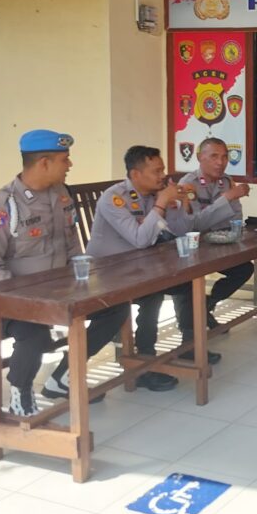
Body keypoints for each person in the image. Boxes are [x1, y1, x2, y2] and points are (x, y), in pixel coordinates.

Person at [0, 130, 123, 415]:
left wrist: (85, 278)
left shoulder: (61, 195)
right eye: (65, 159)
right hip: (0, 296)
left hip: (54, 289)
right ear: (44, 163)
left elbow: (71, 243)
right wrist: (35, 301)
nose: (70, 165)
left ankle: (61, 377)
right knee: (35, 333)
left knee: (114, 307)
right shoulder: (1, 207)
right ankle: (20, 392)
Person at [71, 145, 195, 393]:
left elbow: (180, 231)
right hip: (106, 274)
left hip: (138, 268)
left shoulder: (153, 194)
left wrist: (182, 204)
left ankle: (190, 345)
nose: (163, 176)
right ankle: (144, 365)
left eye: (162, 170)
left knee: (187, 281)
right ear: (136, 174)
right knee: (153, 291)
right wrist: (162, 203)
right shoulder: (114, 198)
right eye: (156, 171)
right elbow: (140, 239)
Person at [173, 137, 252, 353]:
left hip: (217, 242)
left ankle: (207, 305)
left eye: (224, 157)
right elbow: (194, 224)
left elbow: (236, 217)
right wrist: (226, 199)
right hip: (188, 248)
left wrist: (225, 213)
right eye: (214, 156)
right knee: (188, 279)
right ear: (200, 158)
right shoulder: (188, 184)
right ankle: (189, 341)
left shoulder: (225, 181)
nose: (220, 162)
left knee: (244, 268)